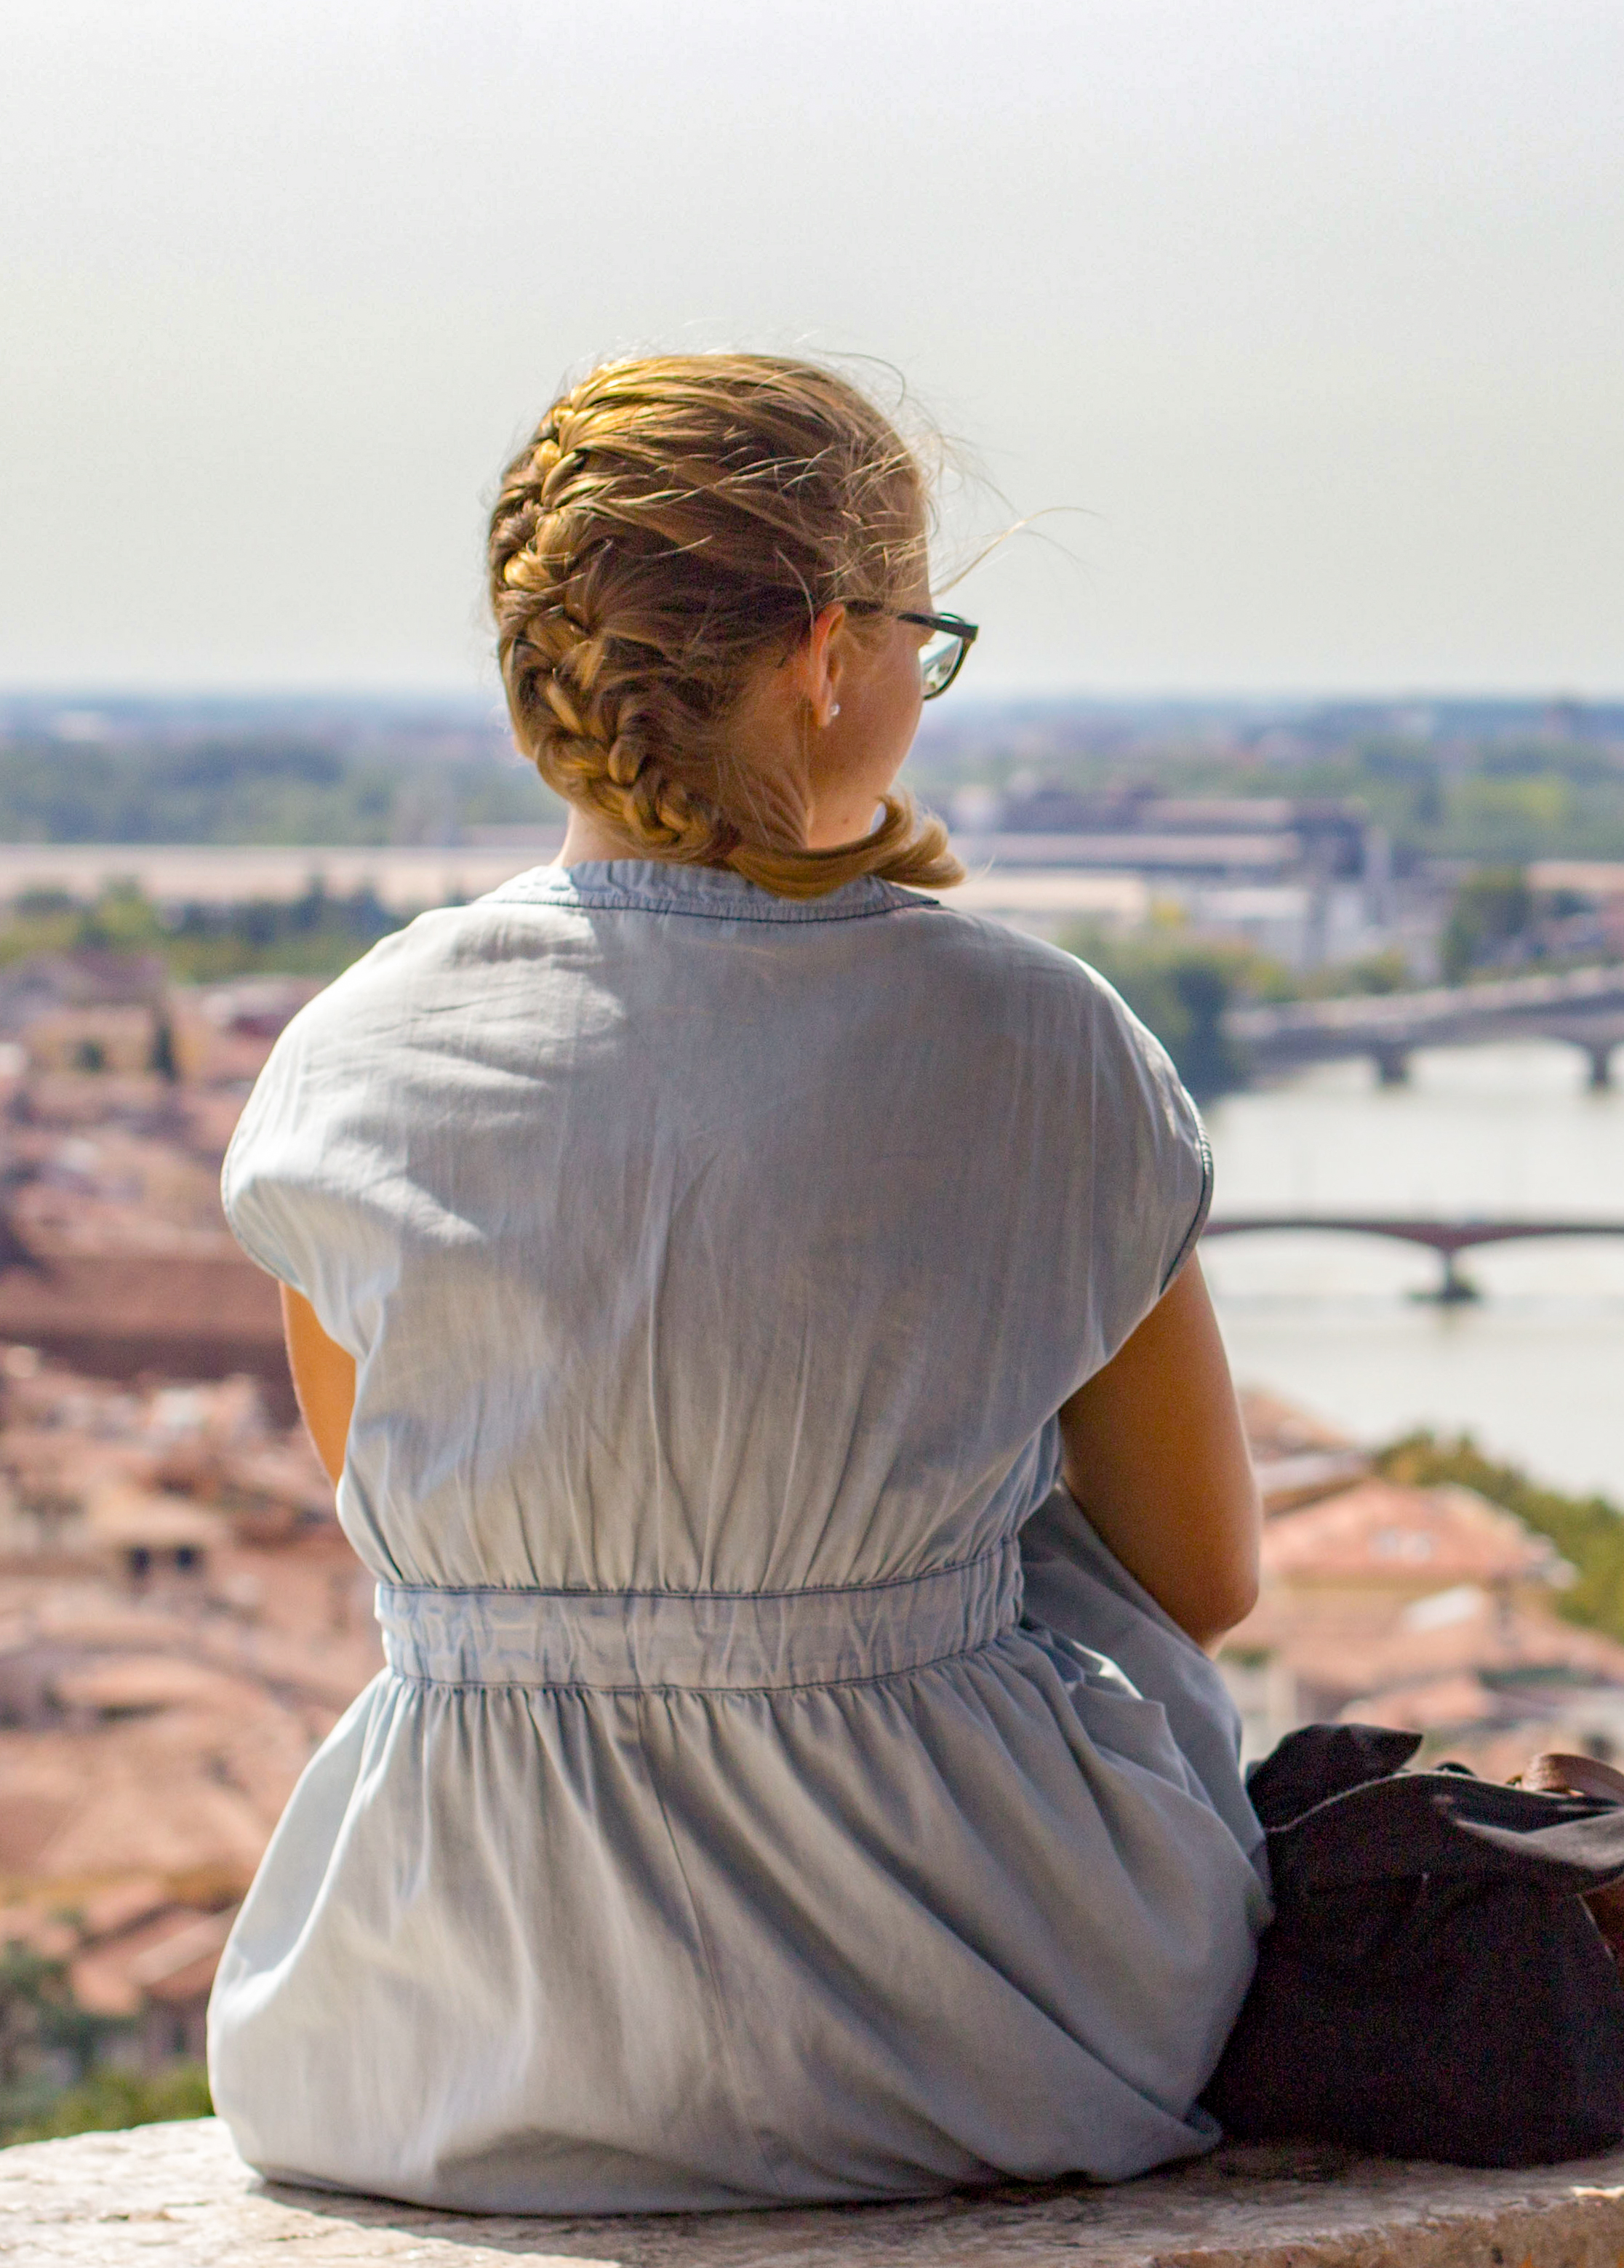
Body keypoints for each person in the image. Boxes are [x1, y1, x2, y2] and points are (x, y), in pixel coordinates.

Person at [208, 354, 1270, 2211]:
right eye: (925, 641)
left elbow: (416, 1521)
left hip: (436, 2038)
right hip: (995, 2021)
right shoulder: (1041, 1042)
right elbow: (1204, 1576)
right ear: (822, 654)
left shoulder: (349, 1057)